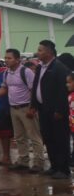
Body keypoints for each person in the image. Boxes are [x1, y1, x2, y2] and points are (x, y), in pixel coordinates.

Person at [0, 48, 44, 173]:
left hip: (26, 107)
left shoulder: (26, 72)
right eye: (5, 58)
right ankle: (23, 161)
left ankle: (38, 163)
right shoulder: (7, 73)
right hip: (14, 109)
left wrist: (32, 108)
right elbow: (4, 88)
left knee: (34, 136)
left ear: (17, 60)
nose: (6, 60)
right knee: (19, 137)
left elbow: (34, 90)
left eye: (9, 58)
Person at [30, 39, 71, 179]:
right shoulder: (41, 67)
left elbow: (62, 91)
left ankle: (63, 169)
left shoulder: (60, 68)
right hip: (43, 109)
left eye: (40, 50)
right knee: (48, 138)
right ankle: (54, 166)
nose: (38, 52)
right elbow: (36, 86)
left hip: (56, 112)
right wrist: (33, 105)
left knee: (60, 139)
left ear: (49, 52)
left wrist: (60, 110)